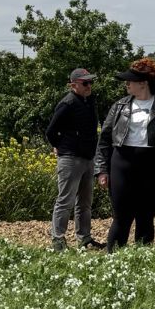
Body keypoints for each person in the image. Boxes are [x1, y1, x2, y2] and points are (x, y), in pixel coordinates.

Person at [94, 57, 155, 249]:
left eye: (130, 81)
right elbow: (105, 140)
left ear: (143, 84)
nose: (127, 84)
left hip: (151, 166)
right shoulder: (119, 106)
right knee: (121, 216)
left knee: (145, 216)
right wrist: (101, 169)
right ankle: (114, 259)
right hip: (121, 164)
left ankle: (141, 260)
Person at [43, 67, 100, 250]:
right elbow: (51, 131)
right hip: (70, 158)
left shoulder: (89, 101)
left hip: (87, 157)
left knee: (85, 202)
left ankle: (84, 238)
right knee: (65, 200)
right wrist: (60, 146)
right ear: (73, 85)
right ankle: (58, 238)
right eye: (85, 83)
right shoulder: (67, 103)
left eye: (90, 82)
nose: (89, 86)